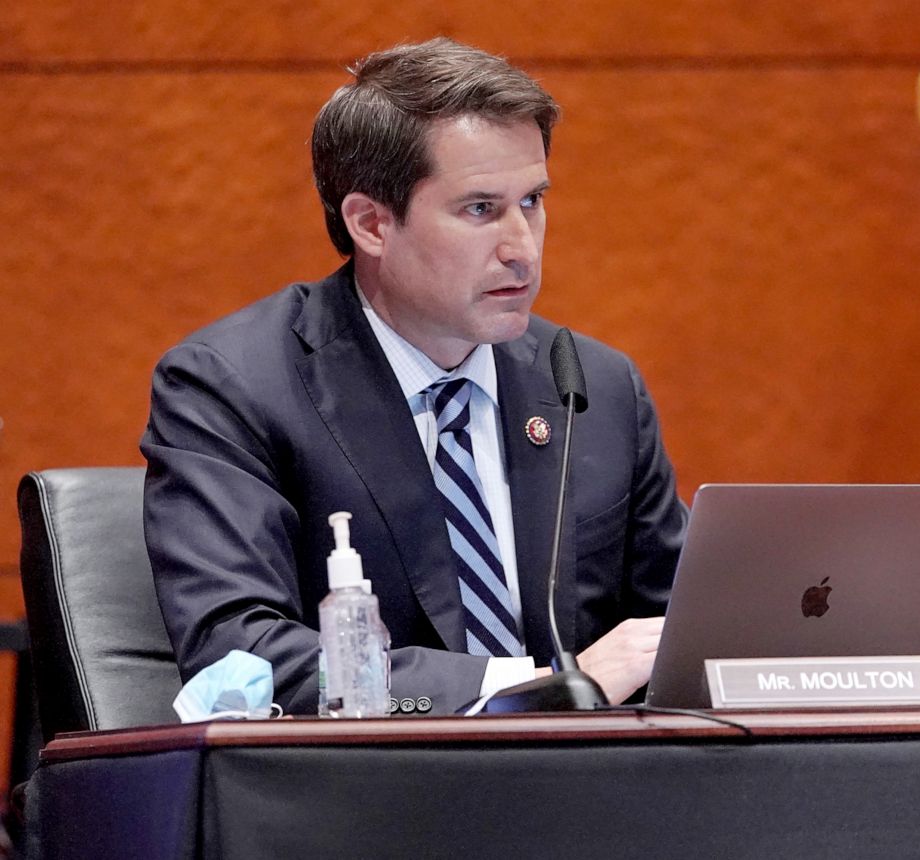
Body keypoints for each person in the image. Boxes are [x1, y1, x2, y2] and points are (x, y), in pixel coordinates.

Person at [141, 37, 688, 716]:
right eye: (480, 209)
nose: (522, 247)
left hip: (592, 796)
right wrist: (529, 690)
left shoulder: (590, 385)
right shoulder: (234, 387)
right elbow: (241, 655)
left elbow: (686, 629)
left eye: (533, 202)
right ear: (370, 223)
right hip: (371, 799)